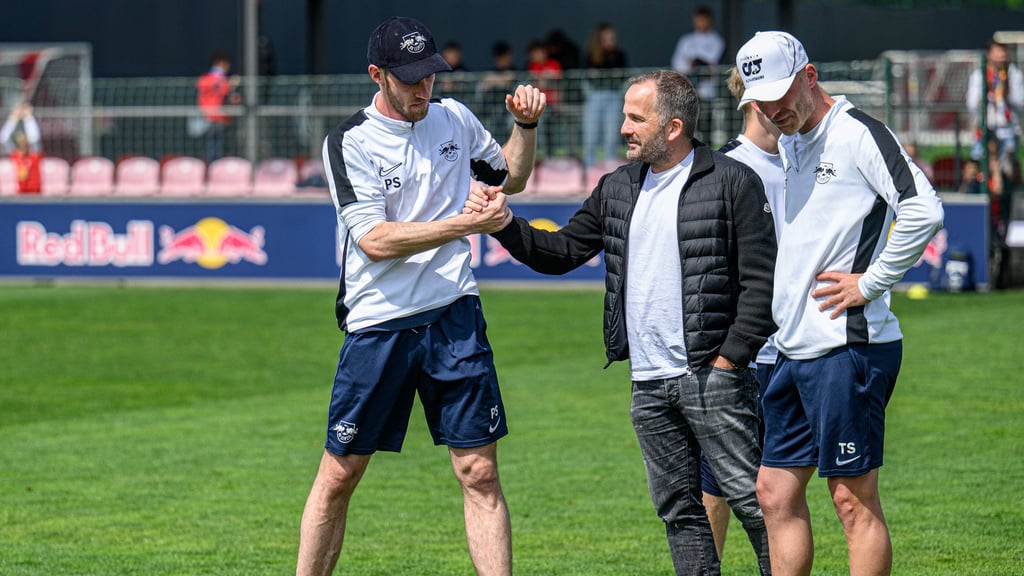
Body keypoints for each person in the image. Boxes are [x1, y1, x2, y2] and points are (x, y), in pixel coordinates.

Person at [466, 69, 776, 576]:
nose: (624, 127)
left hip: (713, 376)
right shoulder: (617, 187)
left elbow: (761, 285)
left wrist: (728, 360)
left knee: (755, 507)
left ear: (673, 127)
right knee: (680, 511)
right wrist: (506, 224)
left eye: (636, 118)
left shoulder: (732, 181)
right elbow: (562, 251)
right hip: (648, 383)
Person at [295, 16, 545, 576]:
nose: (423, 89)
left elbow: (512, 178)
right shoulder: (348, 141)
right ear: (376, 76)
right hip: (380, 324)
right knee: (339, 475)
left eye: (430, 75)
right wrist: (465, 225)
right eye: (409, 79)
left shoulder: (453, 116)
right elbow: (376, 242)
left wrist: (525, 127)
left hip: (455, 314)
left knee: (480, 472)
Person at [735, 31, 944, 576]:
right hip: (792, 348)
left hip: (849, 346)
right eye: (760, 101)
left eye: (780, 94)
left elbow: (924, 209)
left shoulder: (857, 134)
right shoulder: (791, 141)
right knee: (774, 491)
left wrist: (870, 282)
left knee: (852, 501)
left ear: (809, 76)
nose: (771, 109)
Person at [700, 65, 784, 565]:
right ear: (755, 100)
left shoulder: (807, 160)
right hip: (742, 355)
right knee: (718, 484)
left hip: (801, 348)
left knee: (784, 490)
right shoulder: (722, 168)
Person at [582, 22, 628, 168]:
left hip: (614, 96)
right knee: (591, 133)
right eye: (606, 38)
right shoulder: (590, 55)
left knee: (612, 133)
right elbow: (587, 76)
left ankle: (611, 165)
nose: (610, 41)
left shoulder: (620, 55)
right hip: (595, 96)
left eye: (612, 37)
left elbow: (621, 75)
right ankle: (589, 167)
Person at [671, 5, 725, 102]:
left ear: (710, 20)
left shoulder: (717, 41)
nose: (701, 23)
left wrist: (698, 62)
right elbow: (677, 62)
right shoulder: (685, 40)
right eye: (698, 20)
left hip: (707, 91)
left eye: (703, 19)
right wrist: (690, 67)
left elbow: (711, 62)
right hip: (686, 90)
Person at [195, 51, 240, 162]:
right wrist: (230, 85)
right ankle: (213, 171)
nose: (228, 67)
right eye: (226, 64)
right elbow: (220, 93)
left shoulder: (215, 79)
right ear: (219, 63)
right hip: (213, 118)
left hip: (221, 118)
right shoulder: (211, 79)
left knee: (219, 148)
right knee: (214, 149)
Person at [0, 103, 43, 194]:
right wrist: (13, 118)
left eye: (25, 140)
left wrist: (28, 117)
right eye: (20, 141)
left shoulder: (34, 156)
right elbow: (4, 138)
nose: (23, 143)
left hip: (35, 195)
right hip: (19, 195)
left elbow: (34, 138)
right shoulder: (16, 155)